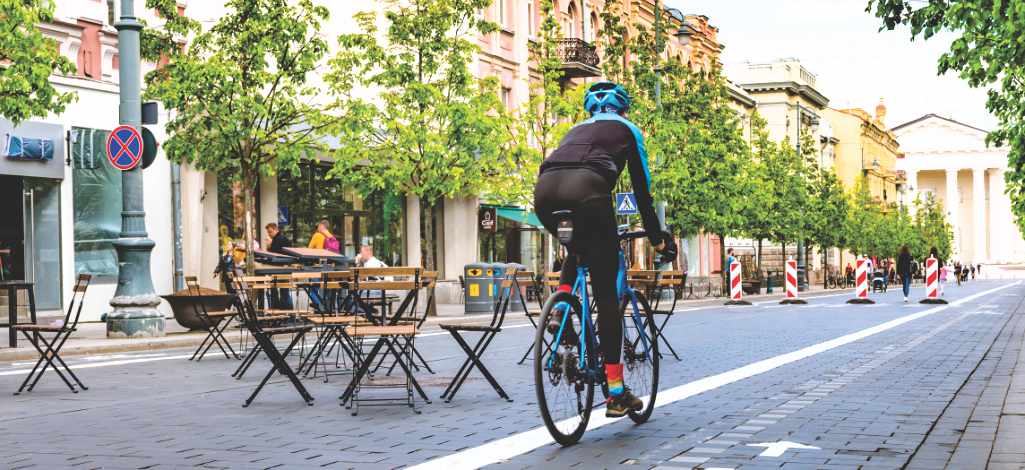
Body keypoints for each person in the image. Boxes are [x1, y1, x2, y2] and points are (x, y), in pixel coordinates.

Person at [534, 81, 676, 418]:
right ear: (624, 109)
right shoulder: (628, 130)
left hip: (544, 194)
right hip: (588, 193)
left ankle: (561, 310)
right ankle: (615, 392)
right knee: (607, 292)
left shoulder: (574, 130)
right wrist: (657, 236)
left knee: (577, 249)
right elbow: (642, 190)